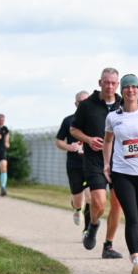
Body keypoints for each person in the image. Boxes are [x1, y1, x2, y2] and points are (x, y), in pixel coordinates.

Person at [103, 74, 138, 274]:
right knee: (132, 217)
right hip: (122, 173)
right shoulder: (113, 117)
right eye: (126, 87)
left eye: (134, 86)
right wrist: (106, 164)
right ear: (122, 91)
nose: (130, 90)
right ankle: (137, 261)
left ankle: (133, 242)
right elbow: (108, 141)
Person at [71, 68, 124, 259]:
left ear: (117, 84)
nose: (109, 86)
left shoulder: (123, 104)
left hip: (119, 161)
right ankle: (93, 225)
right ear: (100, 82)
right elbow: (74, 130)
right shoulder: (87, 105)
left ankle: (108, 245)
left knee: (117, 204)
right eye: (106, 82)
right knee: (99, 202)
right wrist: (88, 139)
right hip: (94, 161)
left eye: (113, 83)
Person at [56, 91, 90, 226]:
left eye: (85, 102)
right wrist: (69, 147)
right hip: (74, 165)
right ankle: (77, 209)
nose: (82, 104)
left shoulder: (96, 119)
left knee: (91, 197)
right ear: (76, 104)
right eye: (80, 102)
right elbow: (58, 141)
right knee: (78, 199)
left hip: (91, 164)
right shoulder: (68, 121)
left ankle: (87, 229)